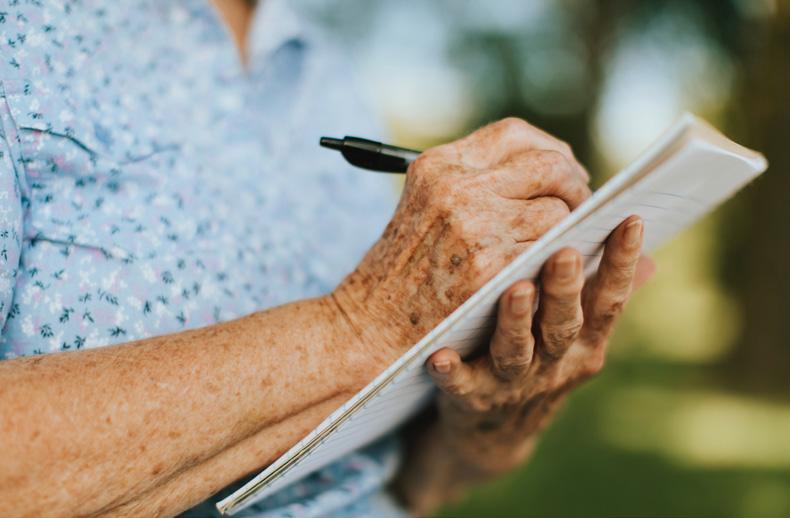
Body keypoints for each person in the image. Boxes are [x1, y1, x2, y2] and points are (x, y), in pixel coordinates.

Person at [0, 1, 653, 516]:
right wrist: (362, 326)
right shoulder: (25, 32)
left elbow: (413, 485)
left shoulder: (327, 72)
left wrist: (494, 421)